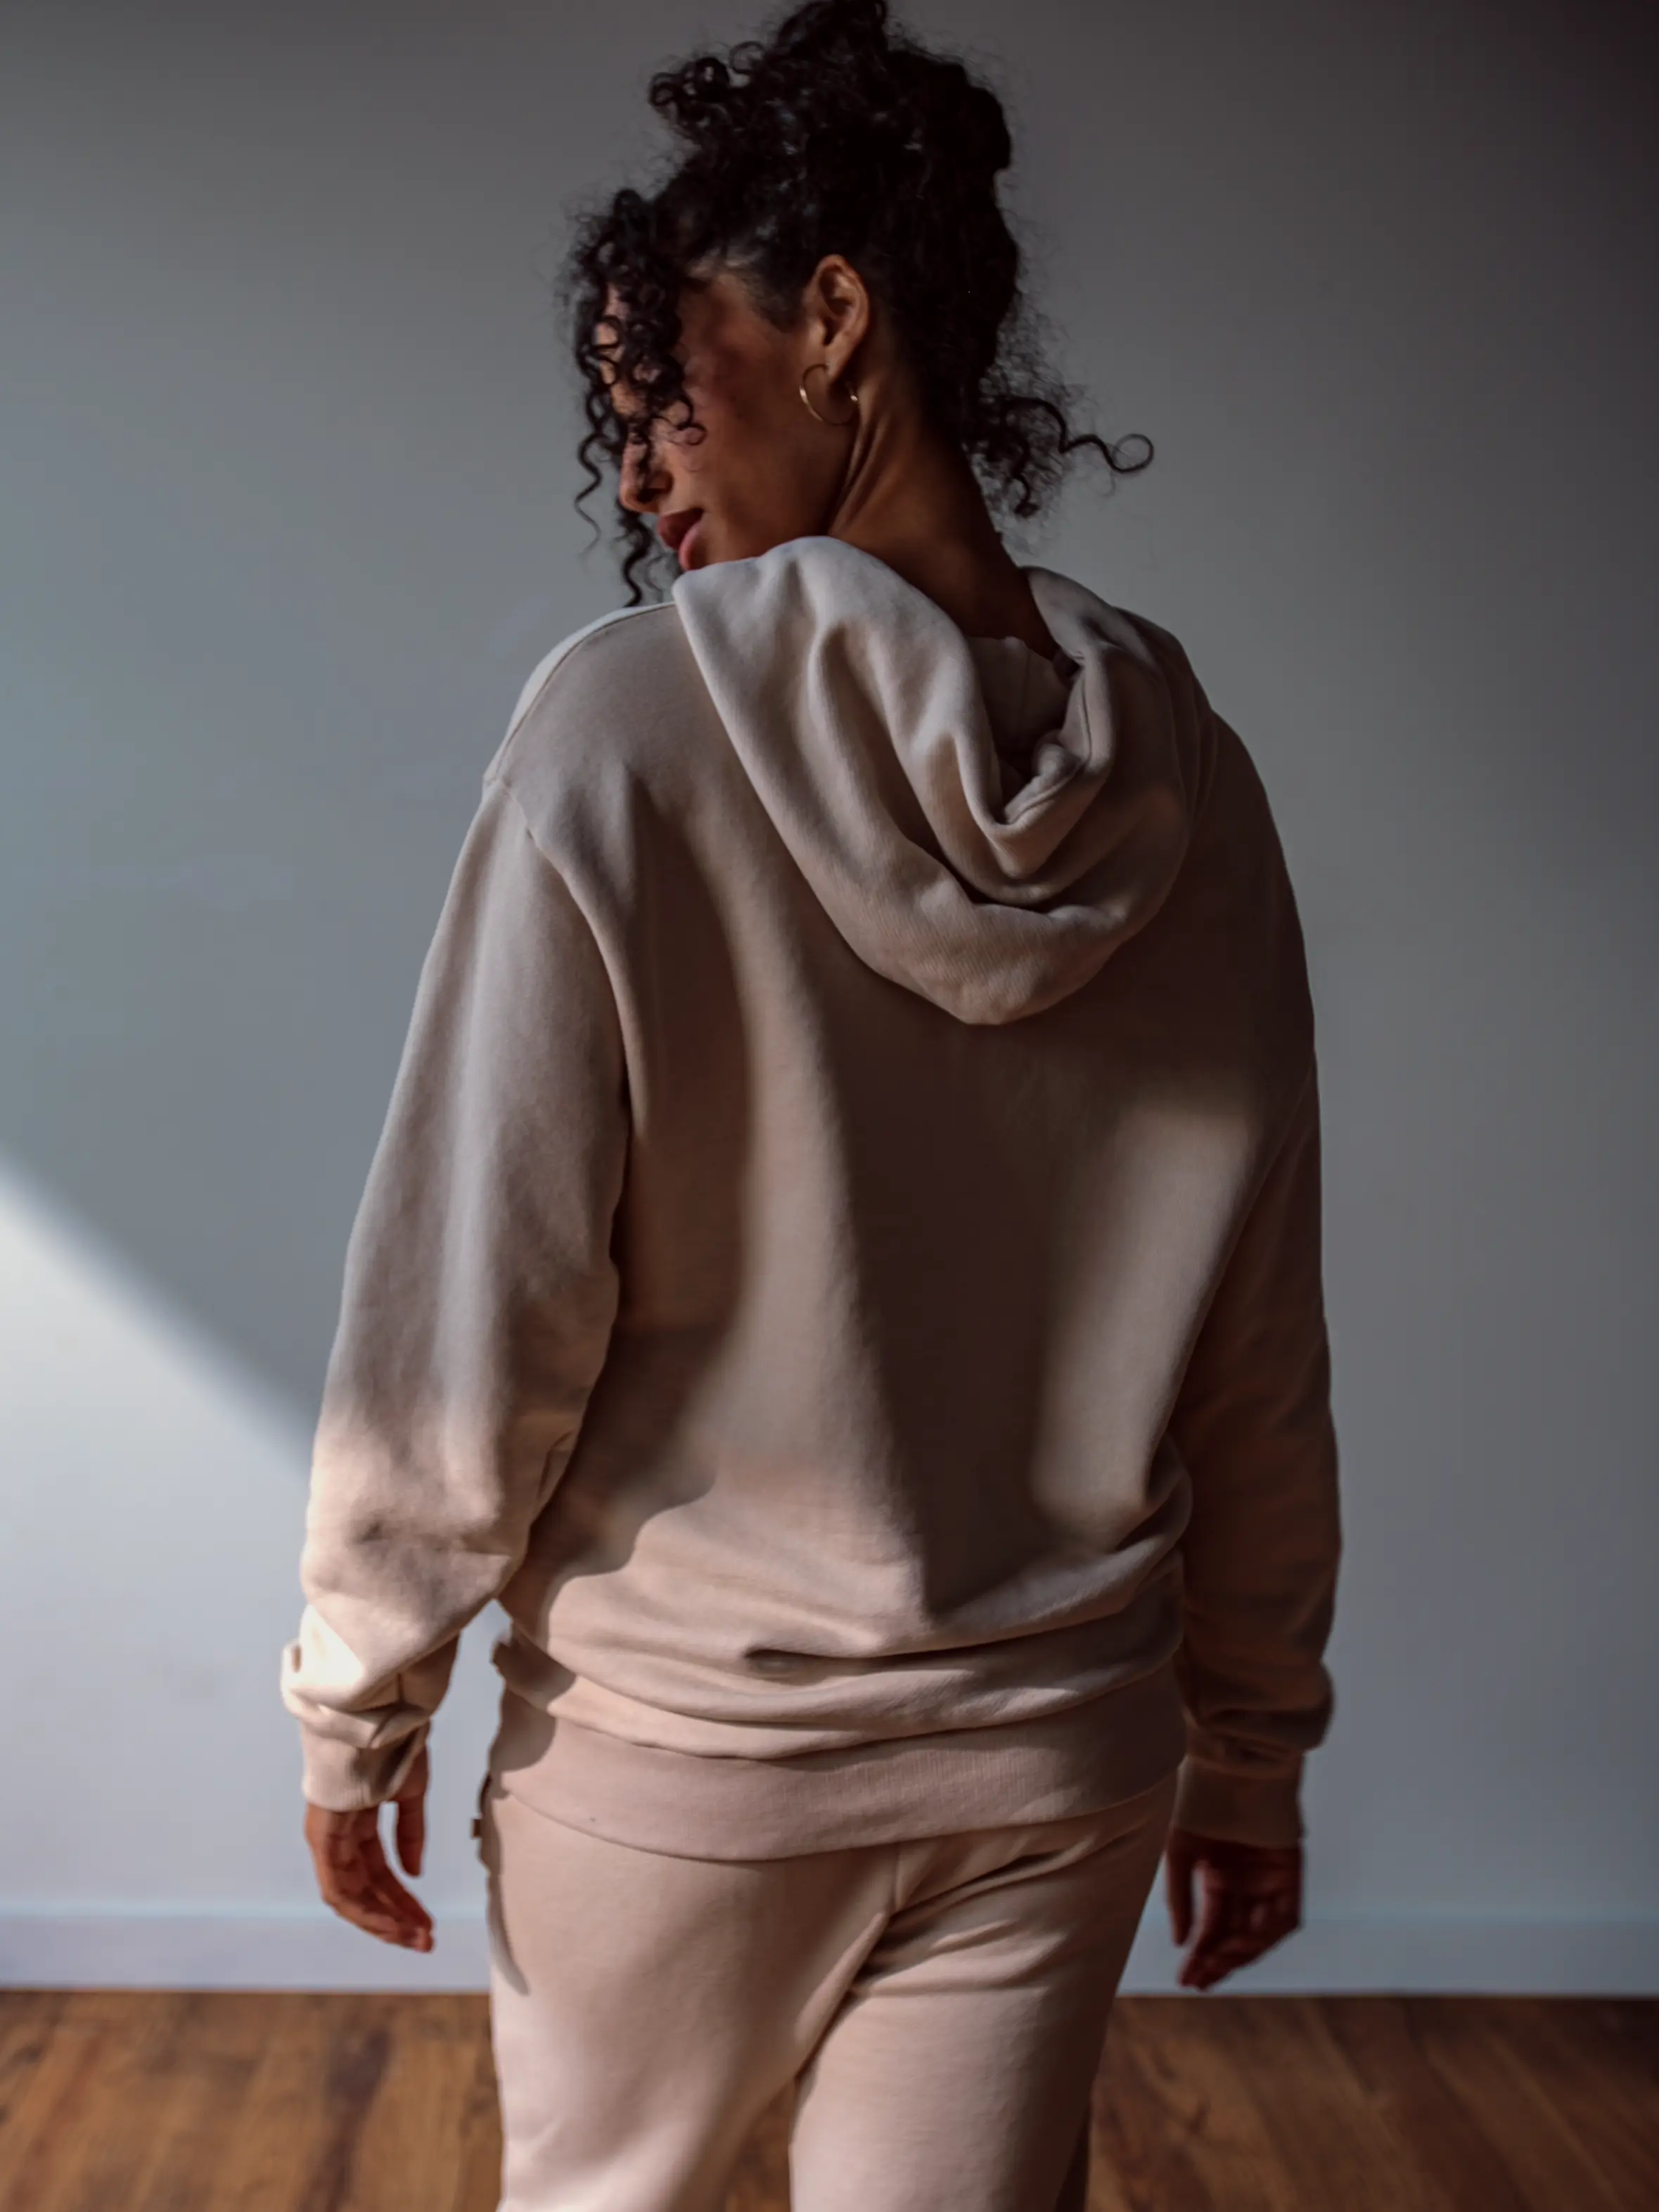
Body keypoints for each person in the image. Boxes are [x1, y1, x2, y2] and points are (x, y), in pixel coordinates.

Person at [281, 3, 1342, 2206]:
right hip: (1053, 1750)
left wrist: (356, 1693)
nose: (646, 476)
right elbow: (1260, 1338)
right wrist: (1246, 1746)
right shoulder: (1189, 787)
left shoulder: (618, 733)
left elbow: (482, 1289)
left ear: (834, 319)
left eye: (660, 398)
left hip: (690, 1753)